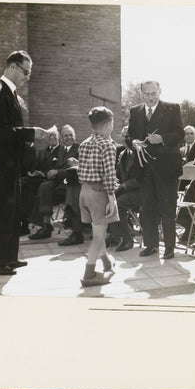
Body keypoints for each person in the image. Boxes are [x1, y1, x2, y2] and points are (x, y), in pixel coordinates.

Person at [0, 50, 47, 275]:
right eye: (25, 71)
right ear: (12, 67)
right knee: (3, 212)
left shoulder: (11, 94)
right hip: (2, 165)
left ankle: (10, 258)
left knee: (13, 213)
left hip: (13, 165)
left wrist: (28, 143)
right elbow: (0, 131)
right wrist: (31, 132)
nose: (27, 77)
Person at [126, 81, 184, 259]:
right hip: (144, 169)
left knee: (167, 210)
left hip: (166, 169)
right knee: (147, 209)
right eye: (147, 94)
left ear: (160, 91)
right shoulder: (135, 111)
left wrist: (162, 139)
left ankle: (169, 248)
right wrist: (133, 142)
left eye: (154, 93)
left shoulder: (172, 108)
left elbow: (180, 134)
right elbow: (129, 135)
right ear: (141, 94)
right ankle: (151, 245)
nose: (150, 98)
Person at [78, 106, 119, 287]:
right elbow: (109, 176)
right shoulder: (107, 145)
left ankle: (106, 263)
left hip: (84, 192)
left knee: (97, 230)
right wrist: (111, 199)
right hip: (98, 194)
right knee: (98, 235)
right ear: (109, 124)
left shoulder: (84, 143)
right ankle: (89, 275)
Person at [28, 125, 79, 240]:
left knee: (44, 191)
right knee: (44, 187)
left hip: (71, 185)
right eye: (66, 136)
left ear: (75, 136)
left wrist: (57, 172)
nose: (69, 138)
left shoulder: (78, 149)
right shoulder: (61, 150)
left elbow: (76, 170)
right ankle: (45, 225)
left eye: (71, 135)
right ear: (61, 138)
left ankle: (44, 226)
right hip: (59, 184)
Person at [108, 126, 142, 252]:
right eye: (122, 136)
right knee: (108, 198)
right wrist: (114, 182)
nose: (124, 139)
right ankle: (115, 236)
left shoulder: (139, 154)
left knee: (118, 203)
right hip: (126, 190)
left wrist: (122, 186)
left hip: (140, 192)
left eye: (127, 136)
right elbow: (118, 174)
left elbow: (140, 180)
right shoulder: (122, 154)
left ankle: (128, 238)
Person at [20, 129, 60, 235]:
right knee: (23, 183)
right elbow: (35, 166)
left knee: (31, 189)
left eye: (54, 135)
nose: (52, 137)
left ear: (58, 137)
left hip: (54, 181)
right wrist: (33, 173)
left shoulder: (61, 151)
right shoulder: (42, 152)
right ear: (47, 138)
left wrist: (44, 173)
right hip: (40, 179)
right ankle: (26, 221)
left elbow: (58, 168)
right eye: (50, 136)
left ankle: (32, 223)